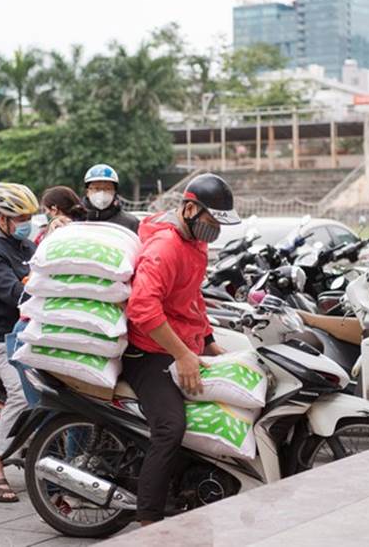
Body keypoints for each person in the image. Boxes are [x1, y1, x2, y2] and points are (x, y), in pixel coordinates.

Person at [123, 173, 240, 524]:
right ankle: (149, 520)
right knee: (170, 427)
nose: (215, 229)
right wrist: (183, 355)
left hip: (181, 346)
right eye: (212, 220)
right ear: (190, 209)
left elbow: (192, 299)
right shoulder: (165, 248)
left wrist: (208, 342)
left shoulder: (195, 244)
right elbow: (142, 309)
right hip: (147, 352)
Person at [0, 181, 38, 502]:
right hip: (1, 337)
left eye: (29, 216)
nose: (26, 223)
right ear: (2, 219)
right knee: (19, 394)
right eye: (20, 218)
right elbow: (16, 294)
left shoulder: (27, 247)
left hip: (27, 334)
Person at [81, 163, 139, 233]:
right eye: (97, 188)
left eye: (107, 189)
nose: (101, 193)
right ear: (87, 192)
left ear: (115, 192)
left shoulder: (130, 223)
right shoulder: (77, 220)